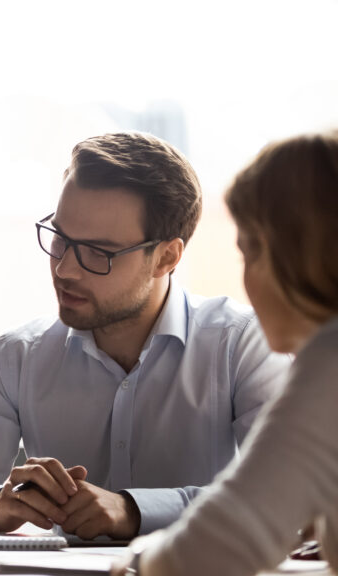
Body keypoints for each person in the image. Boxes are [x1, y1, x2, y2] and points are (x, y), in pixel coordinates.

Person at [0, 132, 290, 541]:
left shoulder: (239, 345)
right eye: (61, 239)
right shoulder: (18, 356)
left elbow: (287, 491)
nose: (64, 270)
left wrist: (133, 509)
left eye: (98, 252)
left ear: (166, 257)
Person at [111, 131, 338, 575]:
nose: (247, 284)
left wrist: (136, 561)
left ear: (297, 256)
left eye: (248, 252)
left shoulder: (329, 366)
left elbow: (214, 547)